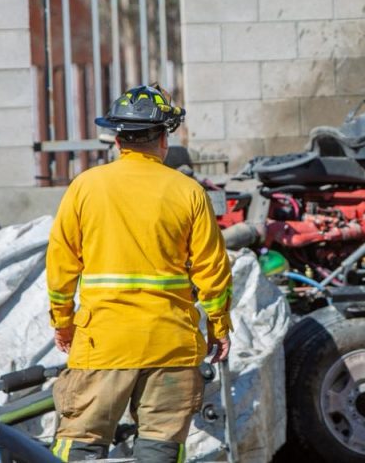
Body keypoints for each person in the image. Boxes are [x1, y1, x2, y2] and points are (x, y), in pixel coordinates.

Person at [46, 84, 233, 462]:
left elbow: (61, 264)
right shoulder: (188, 192)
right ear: (163, 139)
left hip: (103, 345)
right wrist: (219, 326)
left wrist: (63, 323)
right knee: (160, 449)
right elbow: (212, 270)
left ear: (118, 140)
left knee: (80, 445)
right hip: (171, 345)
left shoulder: (85, 187)